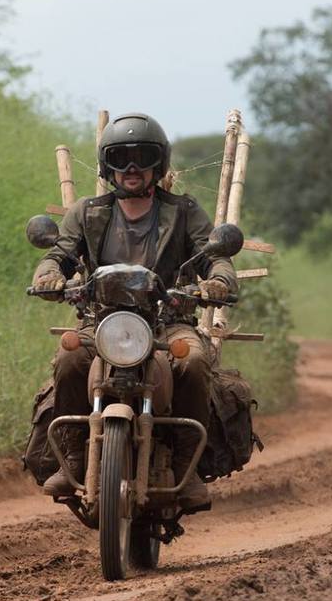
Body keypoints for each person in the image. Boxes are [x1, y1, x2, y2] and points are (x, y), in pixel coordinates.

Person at [29, 112, 237, 509]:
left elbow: (215, 257)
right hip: (102, 320)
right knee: (70, 356)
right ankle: (73, 454)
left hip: (168, 321)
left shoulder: (183, 211)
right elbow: (58, 255)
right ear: (108, 165)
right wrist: (50, 276)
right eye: (121, 158)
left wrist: (218, 282)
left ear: (158, 164)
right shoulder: (88, 213)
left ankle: (185, 466)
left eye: (141, 157)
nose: (131, 168)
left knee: (192, 361)